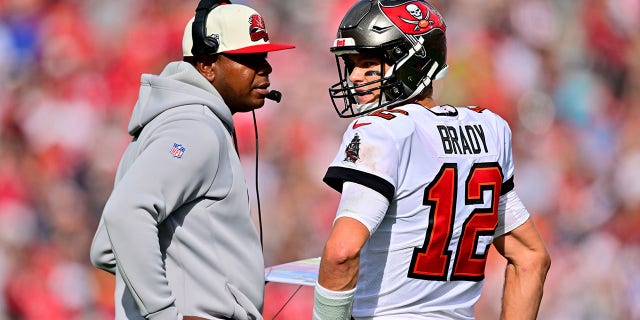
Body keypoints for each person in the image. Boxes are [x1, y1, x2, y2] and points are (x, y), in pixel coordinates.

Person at [313, 0, 551, 319]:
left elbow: (342, 253)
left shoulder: (381, 131)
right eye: (351, 64)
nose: (355, 77)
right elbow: (531, 256)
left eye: (369, 62)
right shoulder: (489, 129)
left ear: (415, 61)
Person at [89, 1, 294, 319]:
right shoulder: (195, 128)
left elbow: (106, 247)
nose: (265, 68)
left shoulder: (179, 122)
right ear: (206, 65)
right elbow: (125, 215)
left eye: (264, 57)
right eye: (249, 59)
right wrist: (165, 312)